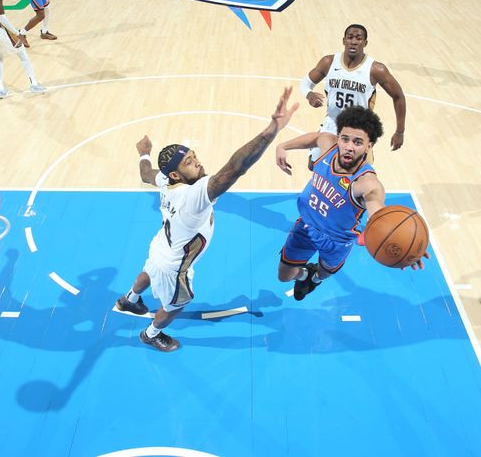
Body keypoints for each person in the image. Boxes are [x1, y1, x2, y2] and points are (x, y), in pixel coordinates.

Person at [116, 87, 299, 352]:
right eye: (189, 163)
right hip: (174, 267)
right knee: (176, 305)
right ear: (177, 175)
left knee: (149, 269)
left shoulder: (165, 181)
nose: (198, 163)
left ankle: (129, 299)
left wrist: (144, 152)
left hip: (161, 247)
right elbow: (236, 168)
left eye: (194, 157)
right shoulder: (194, 196)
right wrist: (272, 130)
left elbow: (146, 173)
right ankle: (151, 333)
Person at [274, 106, 427, 301]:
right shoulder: (328, 145)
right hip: (306, 226)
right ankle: (305, 276)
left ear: (368, 146)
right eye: (345, 139)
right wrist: (283, 146)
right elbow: (316, 137)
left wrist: (403, 243)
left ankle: (315, 278)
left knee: (324, 273)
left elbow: (379, 216)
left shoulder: (367, 184)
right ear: (338, 138)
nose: (349, 147)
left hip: (336, 242)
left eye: (357, 142)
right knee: (284, 276)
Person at [300, 24, 406, 168]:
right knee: (314, 165)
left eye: (358, 38)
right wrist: (309, 94)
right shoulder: (329, 62)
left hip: (359, 128)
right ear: (344, 40)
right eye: (350, 37)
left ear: (365, 43)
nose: (354, 41)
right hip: (332, 122)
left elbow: (398, 96)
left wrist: (400, 131)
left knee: (356, 173)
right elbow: (306, 83)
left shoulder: (375, 69)